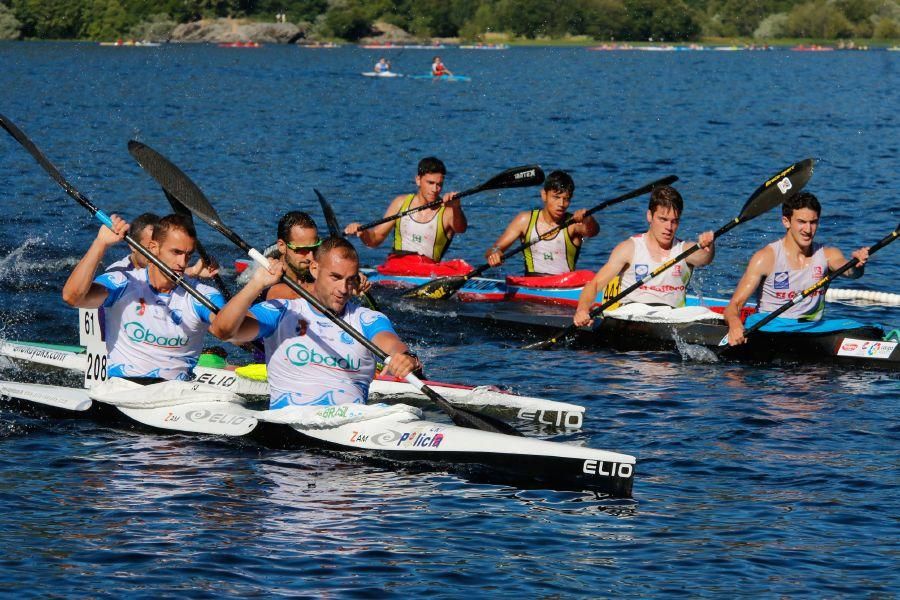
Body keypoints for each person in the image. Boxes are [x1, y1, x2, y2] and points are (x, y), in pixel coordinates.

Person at [209, 237, 420, 408]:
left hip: (349, 434)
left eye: (350, 280)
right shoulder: (281, 311)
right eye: (335, 277)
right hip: (287, 438)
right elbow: (223, 330)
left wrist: (404, 358)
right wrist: (256, 284)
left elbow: (391, 344)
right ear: (314, 269)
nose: (343, 289)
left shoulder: (367, 318)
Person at [61, 214, 230, 381]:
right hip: (121, 389)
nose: (182, 262)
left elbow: (225, 328)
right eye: (176, 252)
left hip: (174, 395)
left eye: (188, 255)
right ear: (153, 248)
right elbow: (72, 297)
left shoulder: (203, 294)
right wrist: (100, 243)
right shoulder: (122, 281)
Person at [723, 192, 869, 345]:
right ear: (786, 222)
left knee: (866, 329)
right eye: (801, 222)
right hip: (773, 328)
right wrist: (734, 325)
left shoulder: (828, 255)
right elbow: (735, 305)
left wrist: (857, 264)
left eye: (813, 222)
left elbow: (851, 273)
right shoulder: (765, 258)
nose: (808, 229)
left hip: (811, 328)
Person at [573, 185, 715, 327]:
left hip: (672, 318)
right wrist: (582, 310)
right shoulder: (629, 248)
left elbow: (705, 258)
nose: (669, 227)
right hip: (632, 316)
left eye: (674, 221)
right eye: (663, 219)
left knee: (705, 313)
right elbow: (595, 285)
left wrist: (709, 245)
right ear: (649, 216)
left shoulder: (685, 250)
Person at [344, 157, 469, 274]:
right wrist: (362, 231)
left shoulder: (448, 210)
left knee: (462, 268)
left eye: (439, 185)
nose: (435, 189)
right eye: (430, 183)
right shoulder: (400, 203)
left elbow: (461, 229)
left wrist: (456, 207)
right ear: (418, 180)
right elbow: (375, 239)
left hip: (427, 270)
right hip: (396, 265)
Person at [484, 170, 599, 275]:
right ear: (544, 195)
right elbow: (494, 248)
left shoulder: (573, 224)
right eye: (556, 197)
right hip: (531, 285)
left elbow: (593, 231)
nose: (561, 204)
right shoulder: (524, 221)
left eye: (566, 199)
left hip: (566, 286)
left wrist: (588, 218)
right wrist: (495, 254)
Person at [105, 212, 219, 278]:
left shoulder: (158, 270)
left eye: (160, 247)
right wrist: (100, 244)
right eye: (150, 247)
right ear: (132, 245)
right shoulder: (116, 273)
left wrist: (194, 271)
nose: (156, 253)